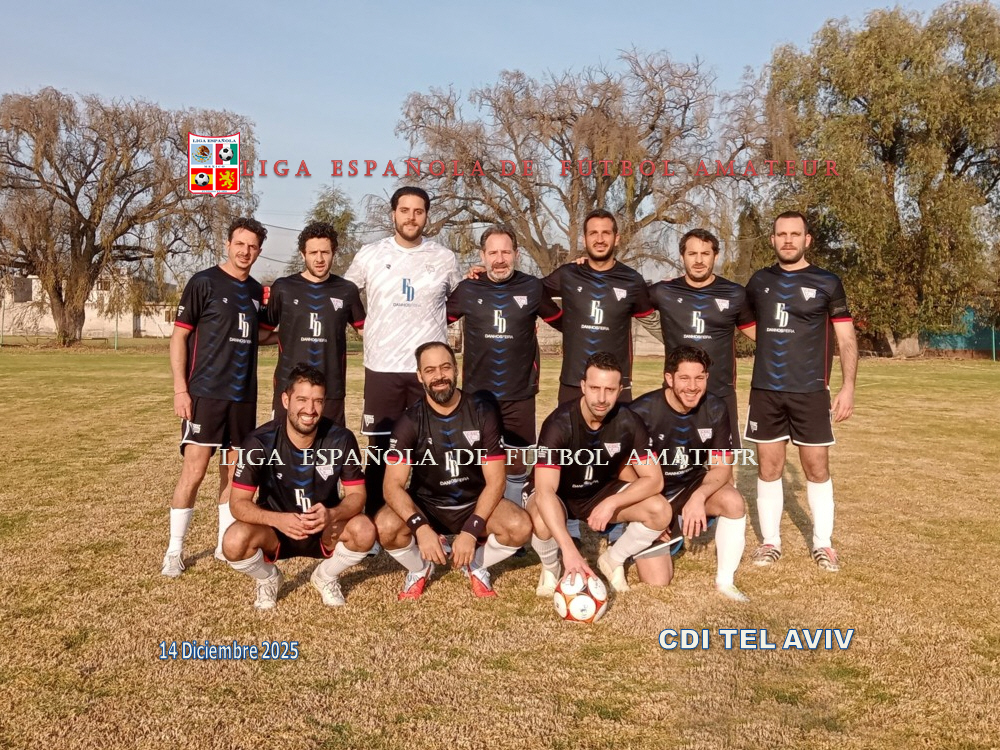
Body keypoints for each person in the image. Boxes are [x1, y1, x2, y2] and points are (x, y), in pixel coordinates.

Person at [742, 211, 858, 572]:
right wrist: (774, 345)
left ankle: (823, 544)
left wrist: (848, 387)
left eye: (795, 234)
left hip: (810, 391)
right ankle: (770, 542)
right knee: (768, 467)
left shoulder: (827, 282)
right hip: (766, 390)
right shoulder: (759, 281)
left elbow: (846, 338)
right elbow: (744, 322)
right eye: (781, 234)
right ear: (773, 240)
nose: (788, 240)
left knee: (816, 467)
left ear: (807, 240)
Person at [375, 342, 532, 600]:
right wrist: (420, 527)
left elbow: (496, 481)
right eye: (430, 370)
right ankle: (420, 568)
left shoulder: (482, 412)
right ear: (420, 376)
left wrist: (471, 530)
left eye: (445, 367)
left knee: (520, 526)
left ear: (456, 369)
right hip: (427, 505)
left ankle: (475, 564)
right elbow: (391, 486)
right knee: (385, 526)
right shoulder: (409, 421)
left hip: (473, 503)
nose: (439, 376)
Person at [344, 187, 462, 517]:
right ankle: (375, 518)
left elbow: (462, 298)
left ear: (426, 216)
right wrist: (363, 325)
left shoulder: (443, 257)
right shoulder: (370, 254)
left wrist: (437, 323)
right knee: (381, 447)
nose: (411, 217)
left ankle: (432, 515)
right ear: (393, 213)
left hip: (429, 371)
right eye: (405, 210)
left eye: (418, 211)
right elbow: (345, 293)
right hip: (383, 368)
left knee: (433, 444)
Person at [162, 217, 270, 577]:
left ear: (259, 251)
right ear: (227, 244)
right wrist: (181, 389)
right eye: (240, 244)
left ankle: (226, 545)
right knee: (194, 472)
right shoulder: (204, 282)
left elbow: (258, 334)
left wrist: (294, 335)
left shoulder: (256, 291)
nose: (245, 251)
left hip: (242, 397)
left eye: (252, 246)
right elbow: (179, 336)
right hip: (205, 394)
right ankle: (174, 551)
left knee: (234, 474)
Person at [223, 365, 375, 609]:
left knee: (365, 530)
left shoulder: (341, 439)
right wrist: (278, 519)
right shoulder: (259, 441)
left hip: (324, 528)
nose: (310, 409)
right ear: (286, 400)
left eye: (318, 401)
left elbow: (357, 495)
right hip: (275, 530)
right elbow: (237, 504)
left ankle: (325, 576)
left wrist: (332, 513)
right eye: (302, 400)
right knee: (233, 542)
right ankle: (268, 579)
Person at [526, 352, 668, 595]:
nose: (601, 398)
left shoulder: (630, 422)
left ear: (620, 390)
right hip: (560, 494)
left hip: (600, 492)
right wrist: (569, 550)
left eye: (610, 390)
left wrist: (612, 502)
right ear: (583, 386)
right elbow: (545, 491)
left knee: (660, 510)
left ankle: (612, 560)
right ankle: (551, 566)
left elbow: (654, 480)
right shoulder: (558, 423)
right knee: (541, 518)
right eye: (594, 388)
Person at [447, 224, 563, 505]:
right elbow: (435, 321)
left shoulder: (532, 287)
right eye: (493, 253)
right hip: (477, 394)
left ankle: (513, 511)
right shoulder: (468, 288)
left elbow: (565, 323)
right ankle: (476, 513)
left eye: (506, 252)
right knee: (477, 457)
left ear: (517, 254)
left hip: (519, 392)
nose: (500, 259)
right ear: (482, 256)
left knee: (515, 459)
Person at [628, 346, 750, 601]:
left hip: (689, 486)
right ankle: (630, 532)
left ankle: (725, 581)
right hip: (652, 494)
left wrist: (699, 496)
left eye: (699, 378)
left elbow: (721, 467)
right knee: (657, 581)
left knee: (733, 500)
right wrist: (653, 512)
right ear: (669, 378)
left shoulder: (716, 408)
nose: (693, 386)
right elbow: (624, 472)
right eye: (684, 378)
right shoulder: (641, 411)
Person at [648, 228, 754, 448]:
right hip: (675, 396)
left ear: (716, 256)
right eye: (692, 254)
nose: (698, 260)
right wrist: (586, 265)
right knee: (669, 463)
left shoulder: (735, 293)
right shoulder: (663, 291)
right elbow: (622, 301)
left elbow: (759, 334)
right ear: (682, 256)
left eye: (705, 254)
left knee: (722, 465)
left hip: (720, 395)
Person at [543, 209, 658, 405]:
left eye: (606, 233)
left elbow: (653, 321)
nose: (599, 239)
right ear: (584, 239)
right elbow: (531, 293)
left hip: (616, 385)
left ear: (617, 238)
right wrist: (562, 322)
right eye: (593, 233)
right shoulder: (568, 274)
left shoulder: (632, 280)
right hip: (573, 383)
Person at [262, 221, 365, 427]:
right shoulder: (283, 287)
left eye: (325, 252)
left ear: (334, 253)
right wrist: (289, 334)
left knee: (331, 446)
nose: (319, 259)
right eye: (313, 253)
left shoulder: (346, 290)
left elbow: (365, 331)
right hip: (290, 388)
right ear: (303, 254)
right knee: (284, 445)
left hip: (331, 390)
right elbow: (261, 334)